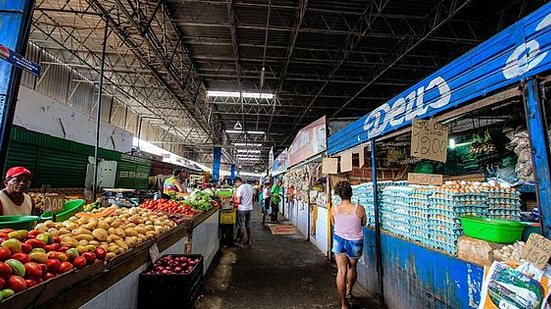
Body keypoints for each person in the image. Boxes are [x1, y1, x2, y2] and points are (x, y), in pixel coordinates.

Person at [330, 181, 366, 309]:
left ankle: (344, 304)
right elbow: (363, 223)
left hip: (339, 241)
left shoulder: (334, 209)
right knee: (352, 268)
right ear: (351, 193)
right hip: (355, 242)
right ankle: (349, 290)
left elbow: (334, 223)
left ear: (339, 195)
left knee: (341, 271)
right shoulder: (359, 208)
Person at [234, 177, 254, 247]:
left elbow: (238, 201)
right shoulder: (250, 186)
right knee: (248, 225)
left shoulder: (239, 188)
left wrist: (232, 201)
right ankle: (249, 241)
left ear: (237, 182)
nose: (236, 185)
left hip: (242, 209)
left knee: (242, 226)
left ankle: (241, 242)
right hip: (249, 208)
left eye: (236, 183)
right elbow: (253, 198)